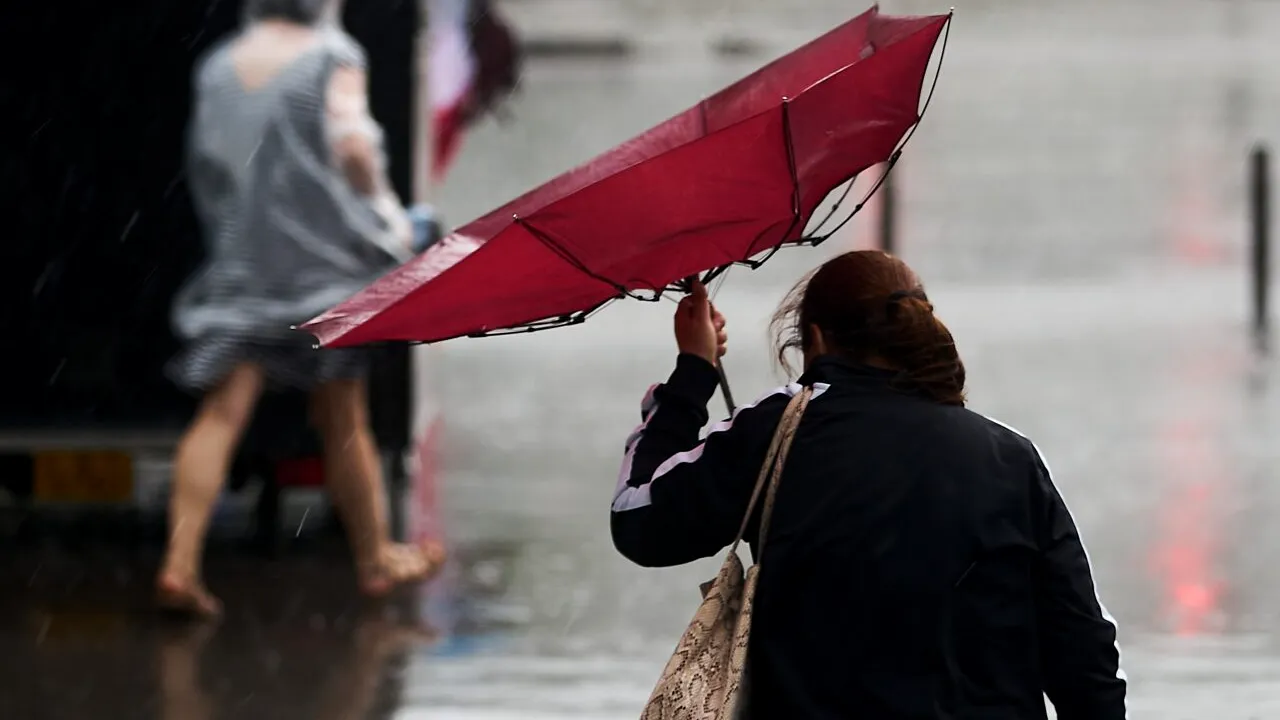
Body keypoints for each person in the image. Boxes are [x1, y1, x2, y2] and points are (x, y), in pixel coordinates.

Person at [611, 251, 1127, 719]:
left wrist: (693, 373)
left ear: (813, 338)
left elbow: (639, 521)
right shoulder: (1009, 456)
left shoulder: (774, 433)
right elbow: (1082, 648)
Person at [159, 0, 443, 617]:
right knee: (344, 416)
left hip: (245, 268)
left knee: (221, 413)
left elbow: (209, 166)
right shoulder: (332, 56)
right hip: (323, 271)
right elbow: (353, 148)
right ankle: (374, 559)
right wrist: (392, 220)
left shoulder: (217, 66)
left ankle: (179, 565)